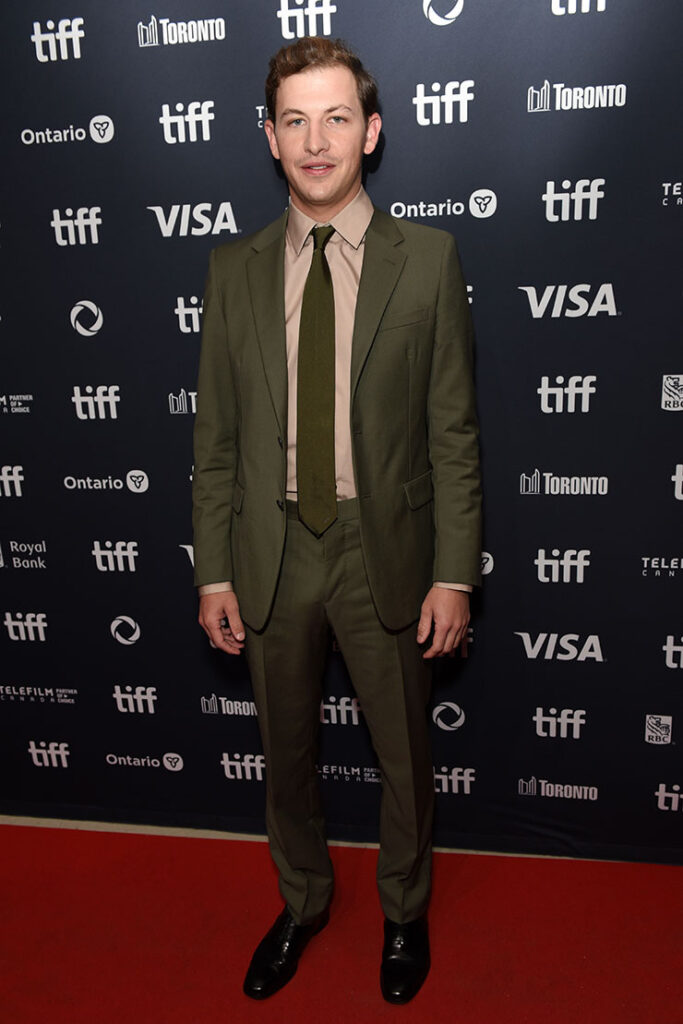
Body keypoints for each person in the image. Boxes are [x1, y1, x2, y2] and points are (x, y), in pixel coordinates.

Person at [192, 36, 482, 1004]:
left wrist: (452, 572)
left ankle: (402, 910)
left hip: (382, 549)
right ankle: (303, 899)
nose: (316, 141)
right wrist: (214, 571)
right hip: (269, 545)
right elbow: (217, 442)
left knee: (403, 755)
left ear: (373, 129)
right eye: (294, 120)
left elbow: (452, 433)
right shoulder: (229, 272)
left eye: (336, 117)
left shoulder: (430, 260)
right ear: (268, 138)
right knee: (286, 757)